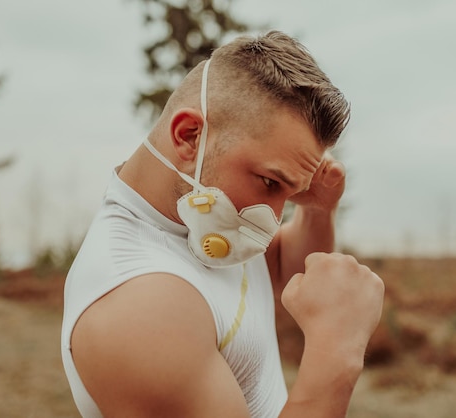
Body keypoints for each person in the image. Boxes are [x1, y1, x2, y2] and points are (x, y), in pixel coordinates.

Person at [61, 30, 384, 418]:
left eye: (291, 192)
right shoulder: (140, 307)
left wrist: (317, 211)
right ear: (189, 136)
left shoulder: (207, 220)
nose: (275, 218)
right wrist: (338, 353)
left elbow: (281, 271)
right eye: (270, 182)